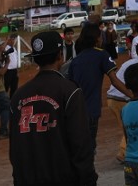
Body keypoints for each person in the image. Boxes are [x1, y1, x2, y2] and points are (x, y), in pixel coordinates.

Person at [8, 30, 97, 186]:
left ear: (35, 59)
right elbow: (81, 143)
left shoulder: (18, 96)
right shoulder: (70, 91)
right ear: (60, 56)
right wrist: (88, 180)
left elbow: (15, 148)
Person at [68, 21, 131, 148]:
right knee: (90, 147)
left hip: (75, 112)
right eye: (101, 36)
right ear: (97, 39)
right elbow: (115, 81)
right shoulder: (101, 55)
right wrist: (133, 95)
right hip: (91, 109)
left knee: (80, 147)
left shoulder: (76, 60)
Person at [110, 41, 138, 163]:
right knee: (134, 124)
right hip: (120, 98)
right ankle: (123, 153)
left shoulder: (133, 63)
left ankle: (126, 152)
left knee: (130, 124)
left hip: (115, 98)